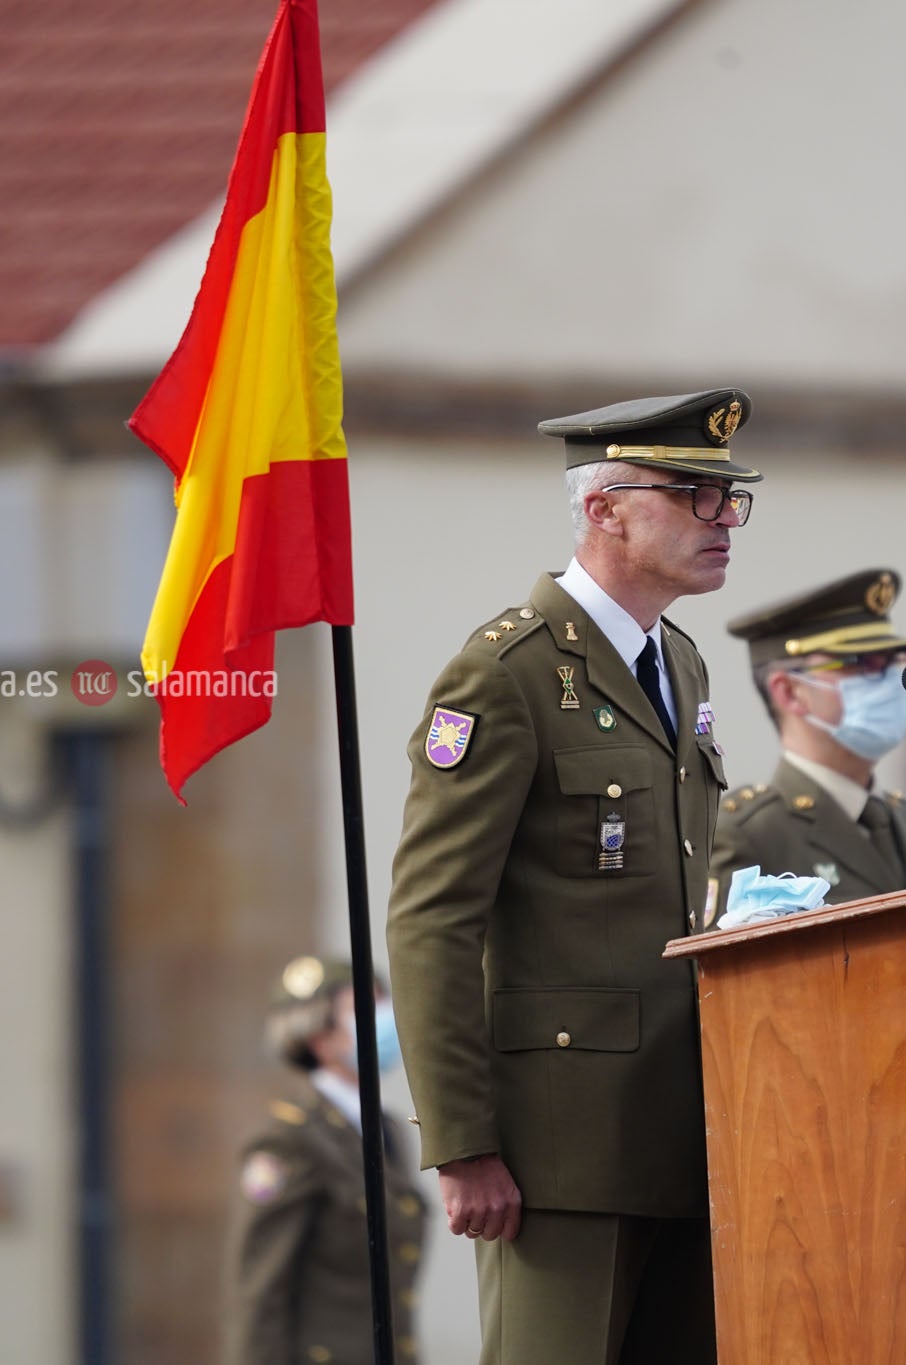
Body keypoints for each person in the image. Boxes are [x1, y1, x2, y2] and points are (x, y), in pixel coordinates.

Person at [386, 388, 760, 1365]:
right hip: (557, 1151)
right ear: (601, 510)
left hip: (683, 1131)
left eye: (730, 500)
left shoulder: (679, 664)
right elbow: (431, 918)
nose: (721, 522)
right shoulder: (502, 674)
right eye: (692, 496)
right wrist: (461, 1144)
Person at [710, 568, 906, 915]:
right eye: (860, 663)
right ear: (790, 691)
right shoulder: (746, 833)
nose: (889, 679)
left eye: (892, 662)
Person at [224, 955, 427, 1365]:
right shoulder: (289, 1140)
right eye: (365, 1007)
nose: (386, 1018)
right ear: (319, 1035)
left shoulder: (385, 1128)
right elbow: (260, 1291)